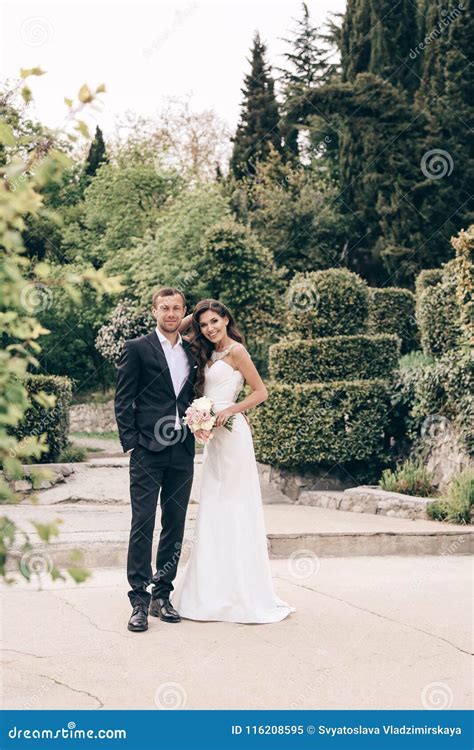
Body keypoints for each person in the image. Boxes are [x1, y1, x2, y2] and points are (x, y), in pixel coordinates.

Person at [173, 298, 295, 623]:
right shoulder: (204, 353)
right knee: (213, 506)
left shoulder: (237, 352)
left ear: (226, 319)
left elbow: (261, 391)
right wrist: (195, 313)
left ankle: (243, 592)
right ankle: (211, 592)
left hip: (234, 433)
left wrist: (229, 410)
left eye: (215, 321)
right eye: (204, 324)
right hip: (214, 439)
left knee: (237, 506)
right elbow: (177, 329)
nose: (209, 329)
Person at [114, 287, 197, 632]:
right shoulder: (137, 349)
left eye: (177, 308)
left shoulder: (193, 351)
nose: (171, 313)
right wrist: (132, 443)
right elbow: (123, 398)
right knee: (143, 522)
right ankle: (139, 599)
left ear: (183, 311)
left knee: (175, 523)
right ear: (154, 311)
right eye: (165, 307)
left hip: (183, 450)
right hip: (148, 450)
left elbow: (196, 393)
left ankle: (163, 593)